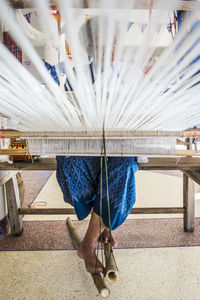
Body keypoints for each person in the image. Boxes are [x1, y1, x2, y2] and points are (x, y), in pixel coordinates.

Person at [56, 16, 139, 274]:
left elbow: (140, 116)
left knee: (122, 165)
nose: (107, 48)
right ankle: (104, 225)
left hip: (120, 148)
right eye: (99, 43)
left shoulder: (131, 76)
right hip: (86, 148)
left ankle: (89, 242)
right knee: (70, 161)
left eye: (111, 42)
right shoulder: (74, 78)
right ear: (89, 48)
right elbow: (64, 118)